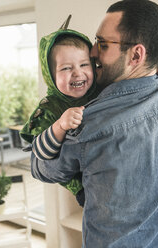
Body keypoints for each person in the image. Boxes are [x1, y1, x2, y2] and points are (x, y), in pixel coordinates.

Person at [31, 0, 158, 247]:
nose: (93, 52)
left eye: (103, 44)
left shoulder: (91, 122)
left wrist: (56, 128)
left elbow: (42, 168)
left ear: (137, 55)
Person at [20, 23, 99, 206]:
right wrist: (60, 126)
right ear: (50, 75)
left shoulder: (100, 88)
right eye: (66, 68)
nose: (78, 73)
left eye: (84, 64)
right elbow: (40, 153)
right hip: (82, 185)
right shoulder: (50, 109)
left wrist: (154, 73)